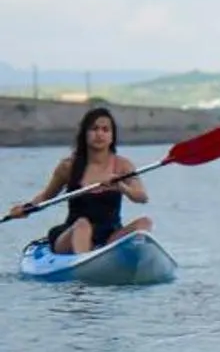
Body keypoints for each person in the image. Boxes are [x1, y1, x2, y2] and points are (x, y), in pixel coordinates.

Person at [5, 106, 153, 255]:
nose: (99, 134)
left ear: (112, 136)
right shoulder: (68, 166)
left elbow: (142, 197)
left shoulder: (123, 166)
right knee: (83, 224)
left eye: (105, 130)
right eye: (94, 129)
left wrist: (121, 186)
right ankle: (84, 261)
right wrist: (26, 208)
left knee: (144, 222)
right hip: (72, 233)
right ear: (84, 134)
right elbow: (46, 197)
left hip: (110, 235)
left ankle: (124, 259)